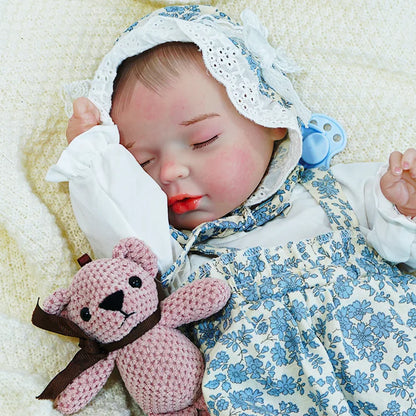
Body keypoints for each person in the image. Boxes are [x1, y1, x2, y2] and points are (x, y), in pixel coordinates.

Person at [48, 5, 416, 415]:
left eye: (202, 140)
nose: (170, 171)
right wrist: (94, 160)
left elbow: (402, 251)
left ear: (269, 117)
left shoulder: (341, 190)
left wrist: (402, 209)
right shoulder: (178, 253)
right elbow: (117, 225)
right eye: (143, 163)